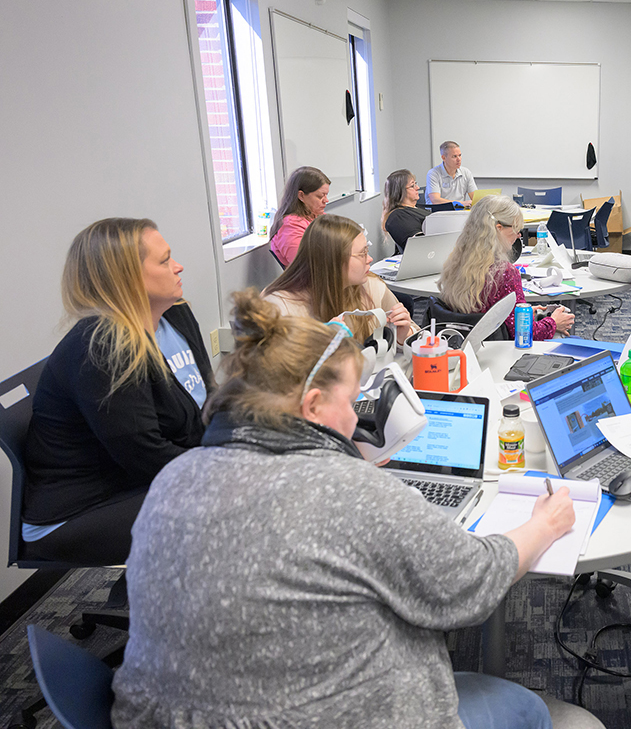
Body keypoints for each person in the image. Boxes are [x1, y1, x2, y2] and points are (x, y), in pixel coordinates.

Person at [111, 290, 574, 728]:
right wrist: (545, 524)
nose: (357, 419)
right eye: (352, 402)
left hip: (171, 716)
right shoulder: (354, 493)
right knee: (528, 708)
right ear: (313, 405)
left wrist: (343, 461)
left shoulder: (174, 477)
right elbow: (470, 582)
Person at [21, 219, 212, 565]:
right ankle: (154, 597)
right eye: (164, 261)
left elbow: (207, 400)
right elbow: (145, 455)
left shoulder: (176, 315)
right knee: (233, 502)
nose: (178, 266)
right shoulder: (103, 348)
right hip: (81, 509)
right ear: (127, 278)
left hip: (135, 483)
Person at [263, 214, 418, 346]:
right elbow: (273, 368)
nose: (369, 259)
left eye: (367, 250)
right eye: (362, 253)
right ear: (332, 261)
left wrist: (404, 336)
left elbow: (416, 335)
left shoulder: (371, 286)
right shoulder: (279, 307)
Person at [438, 195, 574, 341]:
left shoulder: (456, 262)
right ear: (498, 229)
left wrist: (520, 313)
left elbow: (482, 312)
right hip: (497, 347)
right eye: (516, 229)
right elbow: (524, 333)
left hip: (461, 342)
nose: (519, 235)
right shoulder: (504, 272)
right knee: (562, 337)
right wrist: (553, 323)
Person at [270, 166, 331, 267]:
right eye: (320, 196)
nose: (326, 200)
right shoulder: (290, 228)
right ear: (301, 196)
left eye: (326, 195)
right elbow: (304, 266)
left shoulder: (316, 215)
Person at [381, 169, 429, 253]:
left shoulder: (416, 209)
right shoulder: (397, 217)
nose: (417, 188)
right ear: (400, 191)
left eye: (415, 184)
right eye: (412, 186)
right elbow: (418, 245)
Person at [426, 140, 477, 206]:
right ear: (444, 158)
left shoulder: (466, 172)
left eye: (460, 155)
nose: (459, 159)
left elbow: (475, 198)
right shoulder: (433, 173)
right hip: (439, 211)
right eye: (454, 156)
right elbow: (435, 200)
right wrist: (461, 203)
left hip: (460, 210)